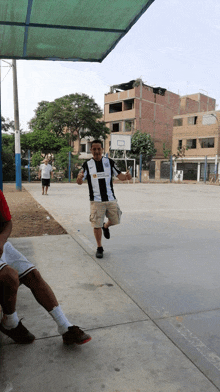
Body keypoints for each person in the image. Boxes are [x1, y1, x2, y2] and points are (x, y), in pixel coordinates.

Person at [0, 190, 91, 345]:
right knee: (9, 276)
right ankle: (10, 323)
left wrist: (1, 239)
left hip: (1, 244)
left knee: (33, 275)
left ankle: (65, 327)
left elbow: (7, 222)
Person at [76, 139, 132, 258]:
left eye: (99, 149)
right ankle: (99, 247)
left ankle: (105, 226)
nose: (97, 151)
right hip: (96, 201)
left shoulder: (109, 162)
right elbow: (79, 181)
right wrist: (79, 178)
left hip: (110, 198)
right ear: (91, 150)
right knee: (96, 224)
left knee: (116, 219)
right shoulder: (87, 165)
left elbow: (120, 176)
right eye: (94, 149)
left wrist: (127, 176)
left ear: (102, 149)